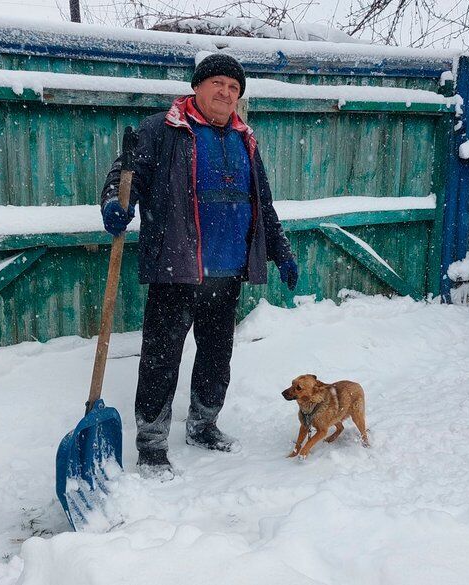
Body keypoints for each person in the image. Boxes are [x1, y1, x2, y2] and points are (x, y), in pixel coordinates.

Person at [99, 53, 298, 479]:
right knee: (160, 357)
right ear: (198, 86)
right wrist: (116, 205)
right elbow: (124, 176)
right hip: (177, 267)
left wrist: (280, 250)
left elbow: (262, 202)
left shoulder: (246, 139)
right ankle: (152, 444)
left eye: (234, 87)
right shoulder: (163, 129)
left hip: (227, 271)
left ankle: (203, 424)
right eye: (218, 84)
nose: (226, 93)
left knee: (215, 354)